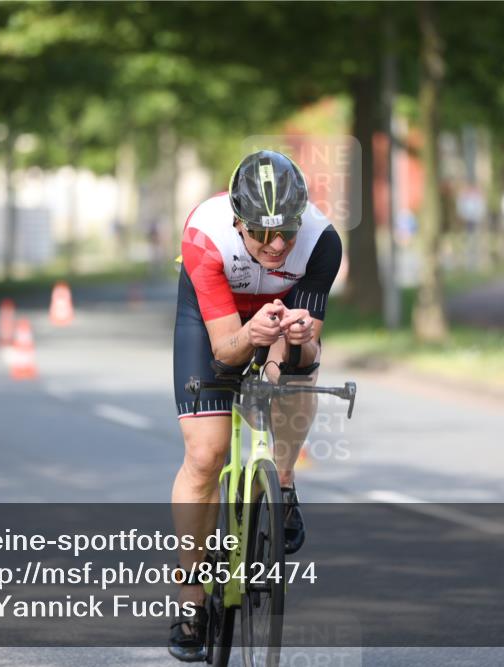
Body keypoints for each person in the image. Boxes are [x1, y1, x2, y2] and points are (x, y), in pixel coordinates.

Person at [169, 150, 342, 661]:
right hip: (214, 323)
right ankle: (191, 601)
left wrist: (300, 337)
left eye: (285, 231)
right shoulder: (206, 235)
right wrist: (249, 334)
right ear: (238, 222)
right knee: (207, 453)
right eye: (260, 234)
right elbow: (225, 351)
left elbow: (306, 353)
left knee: (294, 374)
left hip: (279, 319)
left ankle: (282, 484)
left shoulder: (321, 242)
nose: (276, 245)